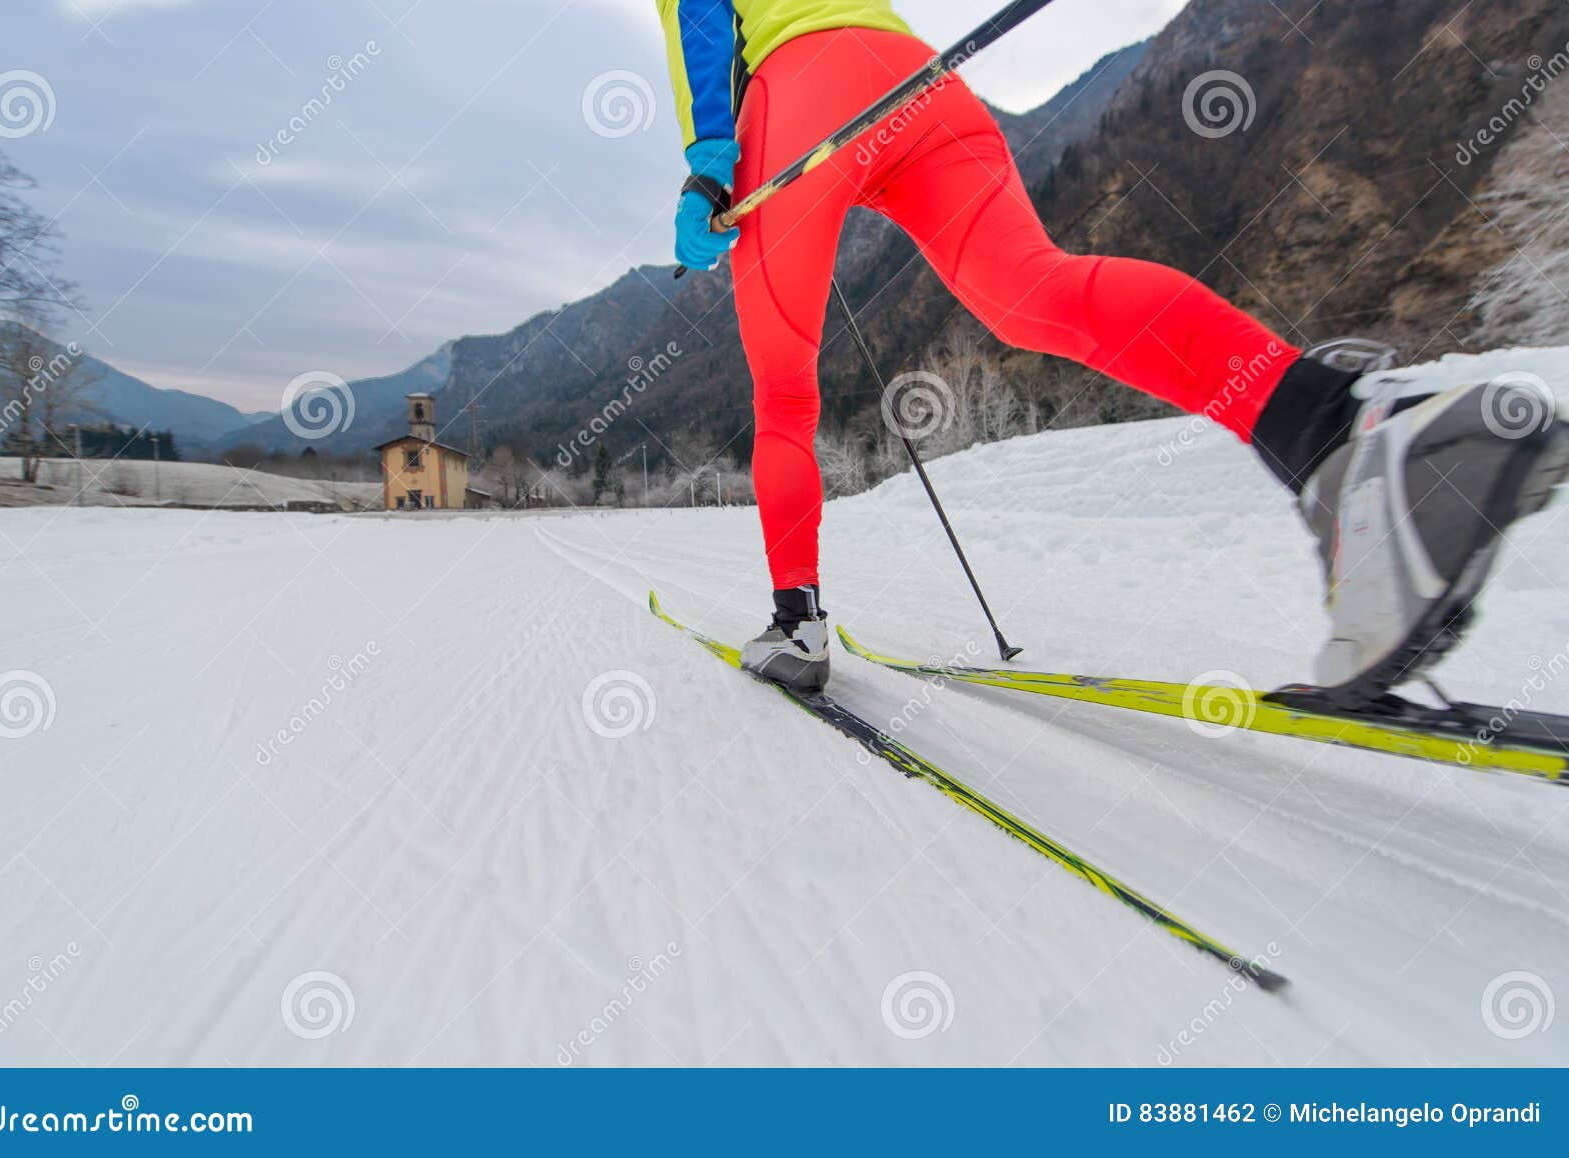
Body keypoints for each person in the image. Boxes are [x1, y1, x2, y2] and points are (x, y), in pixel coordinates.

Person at [656, 0, 1568, 702]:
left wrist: (706, 159)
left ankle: (797, 626)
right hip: (920, 83)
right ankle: (1340, 435)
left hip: (795, 94)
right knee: (1036, 289)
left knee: (784, 398)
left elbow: (704, 15)